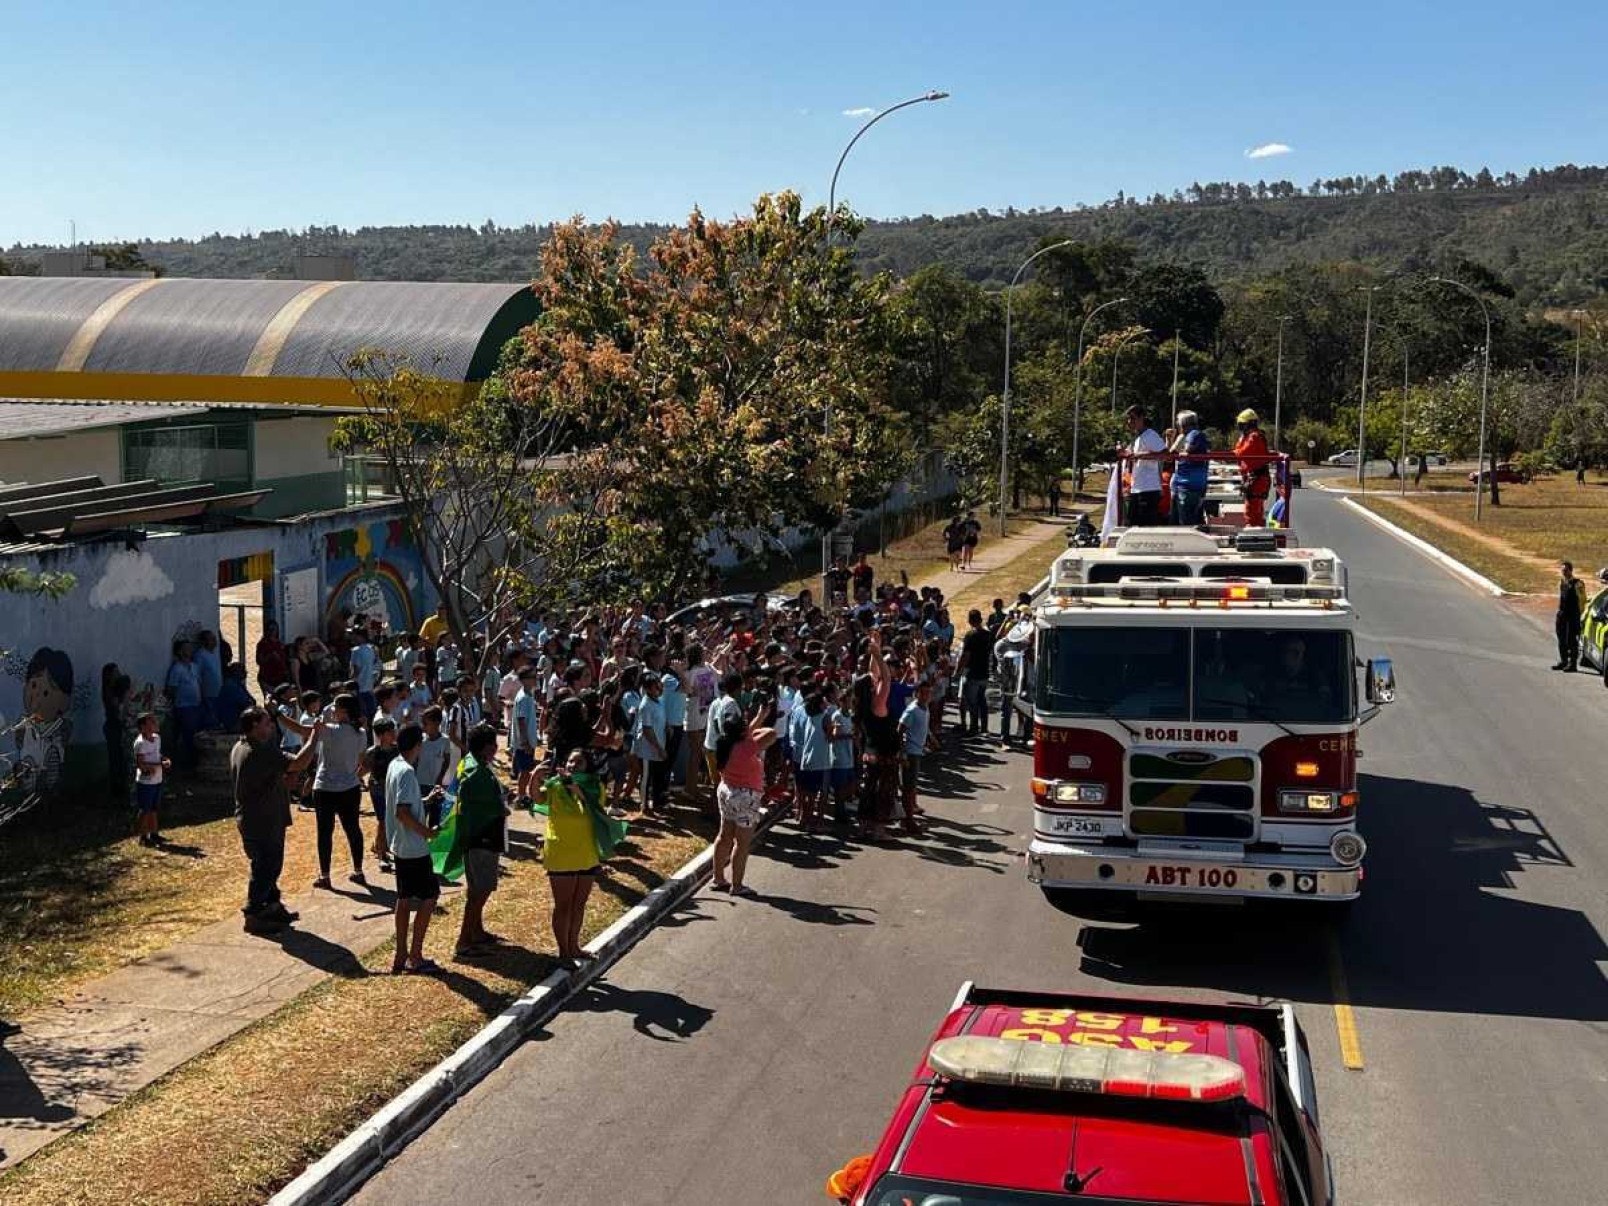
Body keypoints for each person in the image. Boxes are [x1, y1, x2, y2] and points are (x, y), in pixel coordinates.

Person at [232, 706, 320, 934]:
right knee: (267, 865)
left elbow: (270, 773)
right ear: (254, 726)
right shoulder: (259, 751)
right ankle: (253, 913)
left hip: (256, 816)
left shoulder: (241, 747)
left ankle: (272, 905)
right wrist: (314, 737)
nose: (271, 727)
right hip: (262, 818)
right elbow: (299, 763)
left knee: (267, 863)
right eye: (266, 723)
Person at [386, 724, 444, 974]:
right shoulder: (408, 771)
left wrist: (426, 801)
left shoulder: (394, 765)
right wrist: (427, 832)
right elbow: (403, 812)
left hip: (400, 845)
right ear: (417, 746)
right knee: (430, 896)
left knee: (404, 897)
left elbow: (404, 803)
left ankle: (401, 953)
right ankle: (415, 955)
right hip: (414, 848)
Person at [447, 724, 508, 959]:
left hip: (479, 836)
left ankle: (476, 931)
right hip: (482, 837)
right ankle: (464, 941)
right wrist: (498, 807)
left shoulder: (473, 764)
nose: (496, 747)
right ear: (485, 747)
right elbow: (472, 800)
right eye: (492, 744)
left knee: (478, 889)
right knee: (479, 891)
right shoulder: (476, 773)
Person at [540, 749, 605, 966]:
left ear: (588, 766)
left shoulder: (596, 786)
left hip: (586, 854)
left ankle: (574, 946)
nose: (572, 766)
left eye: (578, 762)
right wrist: (532, 778)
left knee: (579, 904)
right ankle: (564, 952)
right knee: (564, 905)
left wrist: (576, 789)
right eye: (570, 761)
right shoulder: (554, 785)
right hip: (562, 853)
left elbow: (595, 808)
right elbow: (536, 798)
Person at [713, 697, 778, 897]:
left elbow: (746, 735)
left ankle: (718, 878)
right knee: (742, 843)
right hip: (745, 796)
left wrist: (757, 719)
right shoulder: (747, 747)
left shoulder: (725, 745)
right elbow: (771, 733)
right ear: (742, 733)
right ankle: (737, 885)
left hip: (727, 792)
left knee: (724, 836)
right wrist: (758, 724)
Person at [310, 694, 368, 887]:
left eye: (335, 707)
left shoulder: (330, 731)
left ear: (344, 711)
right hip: (350, 787)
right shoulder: (360, 733)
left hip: (325, 787)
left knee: (324, 832)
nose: (332, 710)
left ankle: (325, 875)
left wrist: (278, 715)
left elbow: (302, 730)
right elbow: (361, 761)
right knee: (353, 829)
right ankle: (358, 870)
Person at [1123, 405, 1167, 526]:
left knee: (1146, 526)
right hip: (1137, 487)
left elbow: (1164, 454)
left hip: (1148, 489)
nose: (1129, 422)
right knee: (1132, 524)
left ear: (1141, 418)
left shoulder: (1150, 435)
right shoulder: (1139, 438)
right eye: (1128, 419)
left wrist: (1140, 455)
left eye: (1133, 418)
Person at [165, 639, 204, 771]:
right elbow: (172, 689)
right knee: (188, 736)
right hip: (184, 707)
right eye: (186, 648)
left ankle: (194, 763)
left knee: (197, 735)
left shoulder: (194, 666)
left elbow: (199, 683)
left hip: (196, 705)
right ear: (180, 652)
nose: (189, 650)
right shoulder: (177, 669)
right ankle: (187, 765)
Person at [132, 712, 170, 847]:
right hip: (145, 782)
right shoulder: (140, 743)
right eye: (151, 722)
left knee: (154, 808)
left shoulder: (157, 738)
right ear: (143, 727)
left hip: (157, 779)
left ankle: (154, 833)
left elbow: (157, 755)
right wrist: (160, 765)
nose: (154, 724)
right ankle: (142, 835)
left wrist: (163, 759)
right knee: (145, 809)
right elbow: (141, 764)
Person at [898, 681, 932, 829]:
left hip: (918, 751)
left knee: (912, 786)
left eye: (928, 693)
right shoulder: (911, 710)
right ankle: (908, 820)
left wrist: (931, 739)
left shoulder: (925, 708)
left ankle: (909, 815)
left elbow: (924, 727)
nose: (926, 696)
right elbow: (900, 730)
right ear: (916, 693)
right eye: (923, 693)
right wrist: (902, 754)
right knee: (908, 787)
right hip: (910, 753)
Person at [1170, 410, 1211, 527]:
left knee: (1187, 522)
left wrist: (1181, 451)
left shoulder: (1194, 434)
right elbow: (1172, 453)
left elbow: (1188, 451)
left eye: (1178, 423)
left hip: (1188, 486)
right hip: (1186, 485)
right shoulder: (1189, 435)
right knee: (1182, 520)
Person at [1234, 409, 1273, 527]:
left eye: (1241, 426)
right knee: (1253, 511)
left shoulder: (1254, 437)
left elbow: (1241, 453)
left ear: (1247, 425)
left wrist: (1238, 447)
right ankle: (1256, 534)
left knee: (1252, 512)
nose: (1240, 429)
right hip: (1254, 479)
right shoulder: (1250, 437)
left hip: (1257, 479)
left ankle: (1255, 537)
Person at [958, 609, 993, 737]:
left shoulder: (970, 635)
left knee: (972, 702)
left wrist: (958, 670)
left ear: (970, 620)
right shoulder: (988, 635)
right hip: (984, 672)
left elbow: (966, 655)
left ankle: (973, 727)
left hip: (972, 672)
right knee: (982, 701)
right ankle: (984, 727)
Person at [1554, 560, 1587, 672]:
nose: (1564, 572)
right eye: (1562, 570)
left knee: (1572, 640)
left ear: (1571, 570)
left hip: (1573, 615)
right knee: (1561, 639)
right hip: (1562, 614)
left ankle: (1572, 664)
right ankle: (1564, 661)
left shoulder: (1578, 583)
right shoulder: (1562, 582)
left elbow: (1583, 600)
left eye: (1566, 570)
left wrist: (1580, 614)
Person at [255, 621, 289, 697]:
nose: (273, 632)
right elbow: (259, 661)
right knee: (270, 699)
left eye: (274, 629)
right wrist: (270, 656)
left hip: (280, 677)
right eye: (271, 629)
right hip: (267, 677)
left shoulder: (279, 643)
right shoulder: (263, 644)